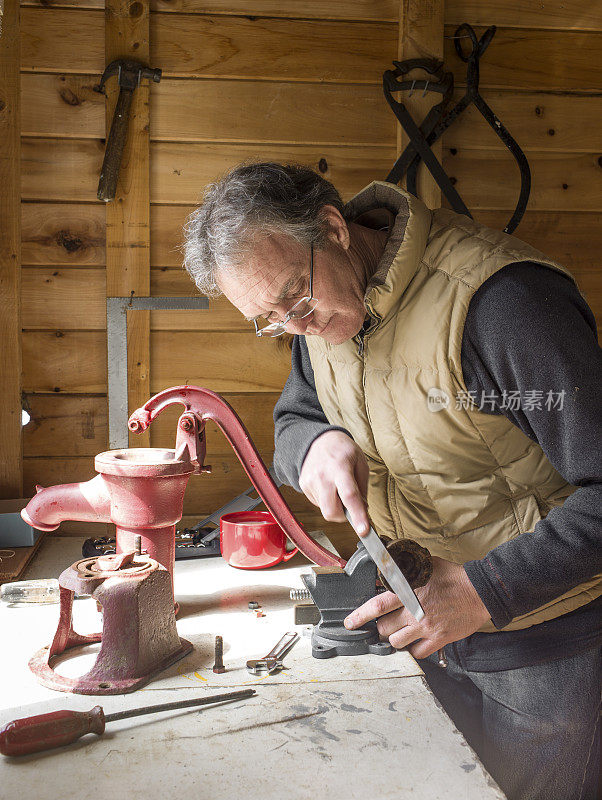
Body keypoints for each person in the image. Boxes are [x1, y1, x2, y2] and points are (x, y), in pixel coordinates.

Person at [183, 161, 602, 800]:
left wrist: (483, 590)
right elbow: (297, 415)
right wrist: (314, 447)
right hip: (422, 636)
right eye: (270, 321)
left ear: (334, 226)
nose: (298, 325)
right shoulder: (315, 313)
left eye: (297, 298)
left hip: (545, 651)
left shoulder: (503, 305)